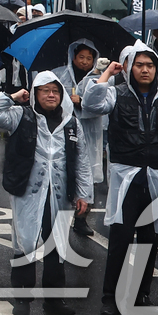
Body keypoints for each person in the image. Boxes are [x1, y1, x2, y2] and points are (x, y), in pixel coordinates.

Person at [83, 43, 158, 315]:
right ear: (130, 66)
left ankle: (142, 293)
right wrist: (107, 73)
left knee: (149, 238)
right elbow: (90, 104)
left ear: (157, 69)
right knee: (120, 237)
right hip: (127, 177)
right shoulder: (116, 94)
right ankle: (110, 296)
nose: (145, 70)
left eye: (150, 65)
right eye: (139, 64)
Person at [0, 70, 92, 315]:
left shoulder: (71, 123)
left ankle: (54, 300)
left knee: (57, 244)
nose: (51, 95)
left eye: (55, 91)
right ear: (35, 94)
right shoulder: (21, 116)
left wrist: (84, 194)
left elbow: (82, 160)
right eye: (45, 90)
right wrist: (11, 97)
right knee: (25, 243)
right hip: (28, 190)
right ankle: (22, 296)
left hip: (60, 193)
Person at [54, 39, 104, 237]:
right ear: (73, 57)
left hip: (90, 132)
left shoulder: (98, 78)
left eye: (89, 58)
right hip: (65, 130)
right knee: (64, 171)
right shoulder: (61, 75)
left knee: (86, 174)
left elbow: (102, 106)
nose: (84, 62)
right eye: (81, 57)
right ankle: (60, 216)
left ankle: (82, 218)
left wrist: (82, 102)